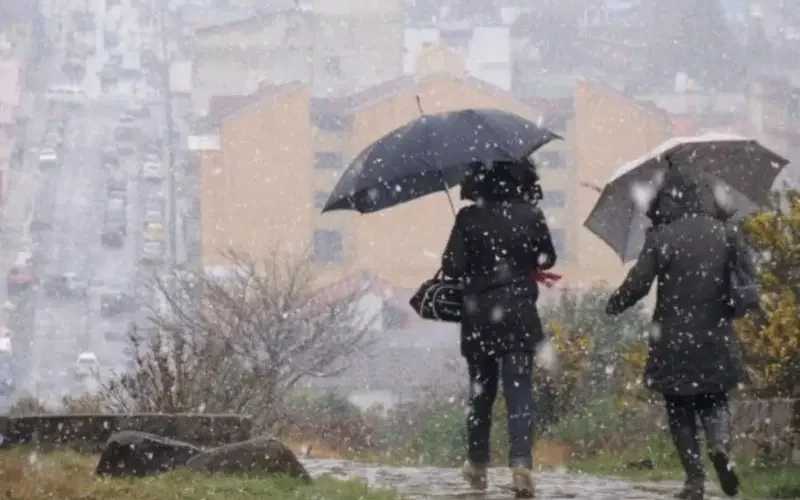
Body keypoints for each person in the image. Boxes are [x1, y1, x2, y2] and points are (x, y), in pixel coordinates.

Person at [606, 167, 753, 500]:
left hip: (672, 336)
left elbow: (639, 284)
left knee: (679, 407)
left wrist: (614, 304)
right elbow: (745, 278)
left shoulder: (662, 236)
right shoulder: (725, 233)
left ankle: (694, 481)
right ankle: (719, 447)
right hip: (714, 332)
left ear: (666, 199)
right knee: (715, 399)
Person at [442, 160, 557, 498]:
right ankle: (521, 464)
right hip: (519, 313)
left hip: (479, 317)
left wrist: (471, 248)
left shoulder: (468, 217)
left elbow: (452, 266)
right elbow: (547, 258)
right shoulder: (530, 214)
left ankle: (477, 464)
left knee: (482, 393)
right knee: (519, 391)